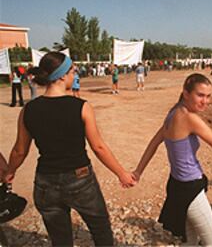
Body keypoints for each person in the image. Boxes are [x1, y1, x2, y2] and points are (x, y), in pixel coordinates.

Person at [5, 52, 136, 246]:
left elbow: (19, 151)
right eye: (73, 71)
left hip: (45, 182)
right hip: (80, 179)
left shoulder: (28, 110)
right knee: (100, 229)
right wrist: (121, 173)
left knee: (60, 240)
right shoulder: (81, 107)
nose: (75, 75)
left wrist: (10, 171)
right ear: (62, 76)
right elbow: (98, 147)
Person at [132, 73, 212, 246]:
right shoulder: (190, 119)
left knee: (191, 240)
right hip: (189, 188)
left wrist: (139, 171)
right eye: (200, 95)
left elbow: (154, 142)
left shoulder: (173, 112)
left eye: (208, 96)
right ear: (186, 94)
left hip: (176, 185)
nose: (205, 101)